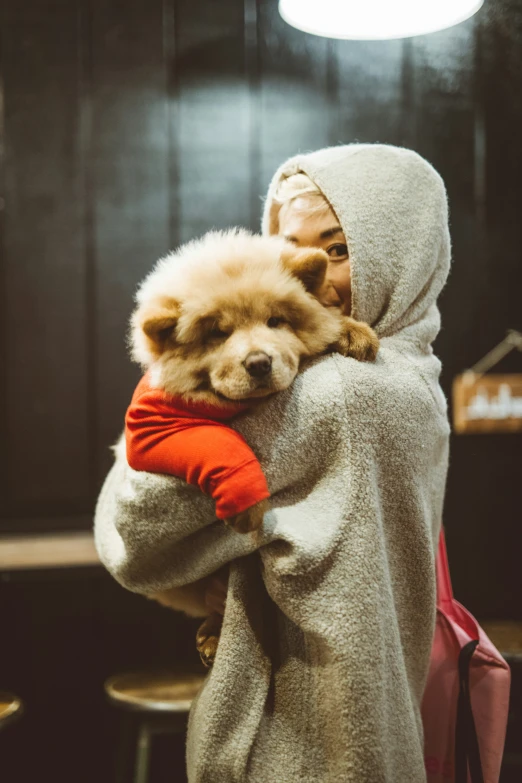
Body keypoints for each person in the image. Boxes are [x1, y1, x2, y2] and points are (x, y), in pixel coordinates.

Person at [94, 144, 451, 782]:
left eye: (339, 248)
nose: (314, 271)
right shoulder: (417, 373)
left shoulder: (339, 392)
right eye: (289, 245)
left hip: (295, 725)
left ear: (401, 243)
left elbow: (131, 532)